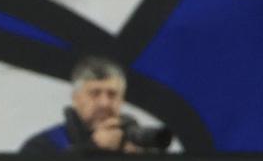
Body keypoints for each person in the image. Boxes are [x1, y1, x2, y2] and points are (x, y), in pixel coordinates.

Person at [20, 56, 170, 153]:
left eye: (112, 94)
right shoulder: (42, 146)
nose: (104, 103)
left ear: (122, 100)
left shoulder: (139, 144)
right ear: (76, 98)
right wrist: (93, 148)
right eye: (94, 93)